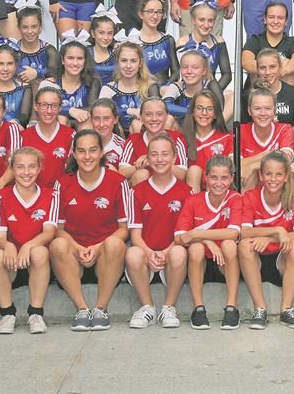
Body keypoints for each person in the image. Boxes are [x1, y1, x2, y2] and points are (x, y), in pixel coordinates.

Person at [51, 130, 129, 332]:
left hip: (105, 257)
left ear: (102, 152)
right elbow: (58, 229)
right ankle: (82, 309)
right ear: (74, 154)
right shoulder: (63, 183)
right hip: (73, 257)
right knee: (57, 244)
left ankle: (100, 309)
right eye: (82, 151)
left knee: (115, 243)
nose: (87, 157)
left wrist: (97, 247)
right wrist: (77, 248)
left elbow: (124, 229)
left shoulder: (118, 182)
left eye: (93, 150)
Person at [0, 147, 57, 335]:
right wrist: (8, 245)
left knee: (39, 251)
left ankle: (35, 313)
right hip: (12, 263)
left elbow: (49, 233)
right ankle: (7, 313)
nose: (26, 173)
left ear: (40, 167)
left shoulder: (51, 195)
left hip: (38, 263)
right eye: (20, 167)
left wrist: (28, 245)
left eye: (32, 167)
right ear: (12, 169)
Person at [126, 134, 193, 329]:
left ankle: (168, 308)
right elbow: (135, 236)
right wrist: (150, 253)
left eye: (165, 154)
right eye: (154, 155)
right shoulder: (136, 192)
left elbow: (183, 235)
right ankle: (147, 307)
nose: (160, 159)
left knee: (180, 252)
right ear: (147, 159)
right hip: (146, 257)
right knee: (132, 253)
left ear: (174, 158)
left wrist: (164, 253)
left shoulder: (186, 192)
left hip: (171, 257)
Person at [240, 151, 294, 330]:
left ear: (286, 176)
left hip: (281, 260)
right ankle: (259, 309)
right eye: (268, 174)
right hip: (257, 261)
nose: (273, 179)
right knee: (245, 246)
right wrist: (276, 231)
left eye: (279, 174)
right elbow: (244, 233)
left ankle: (286, 310)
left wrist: (269, 238)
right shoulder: (251, 197)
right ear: (261, 175)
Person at [174, 157, 242, 329]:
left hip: (225, 263)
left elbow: (233, 233)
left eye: (224, 178)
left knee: (228, 244)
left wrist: (197, 233)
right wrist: (206, 240)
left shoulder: (235, 198)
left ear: (232, 178)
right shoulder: (194, 200)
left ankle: (232, 307)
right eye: (214, 177)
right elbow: (180, 236)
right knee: (196, 248)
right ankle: (198, 308)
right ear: (205, 177)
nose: (218, 183)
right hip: (200, 262)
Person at [118, 97, 188, 185]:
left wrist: (153, 160)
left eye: (159, 114)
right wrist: (140, 165)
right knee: (141, 174)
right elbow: (121, 175)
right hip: (143, 191)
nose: (154, 119)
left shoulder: (176, 139)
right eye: (148, 114)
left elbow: (182, 175)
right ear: (141, 117)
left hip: (169, 191)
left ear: (166, 116)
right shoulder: (133, 141)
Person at [98, 41, 161, 135]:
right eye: (124, 60)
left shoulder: (150, 87)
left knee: (136, 124)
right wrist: (128, 111)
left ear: (140, 63)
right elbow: (101, 113)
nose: (128, 66)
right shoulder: (108, 88)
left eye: (133, 61)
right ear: (117, 62)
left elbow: (156, 115)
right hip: (116, 134)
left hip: (145, 135)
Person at [175, 0, 233, 91]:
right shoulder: (182, 43)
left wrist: (213, 92)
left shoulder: (218, 42)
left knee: (230, 96)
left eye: (210, 21)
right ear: (193, 20)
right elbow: (176, 73)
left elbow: (227, 75)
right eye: (201, 20)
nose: (206, 25)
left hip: (211, 92)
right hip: (187, 92)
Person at [21, 85, 76, 187]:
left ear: (60, 108)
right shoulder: (23, 136)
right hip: (33, 195)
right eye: (44, 105)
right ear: (36, 106)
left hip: (61, 196)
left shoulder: (70, 135)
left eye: (54, 106)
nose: (49, 111)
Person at [242, 2, 294, 89]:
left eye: (280, 18)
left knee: (287, 64)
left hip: (285, 88)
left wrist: (281, 70)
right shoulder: (255, 40)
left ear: (286, 21)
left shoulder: (293, 41)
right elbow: (246, 62)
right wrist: (267, 70)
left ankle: (287, 101)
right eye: (271, 17)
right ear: (265, 19)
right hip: (260, 90)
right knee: (259, 66)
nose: (275, 21)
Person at [182, 90, 232, 193]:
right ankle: (194, 207)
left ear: (215, 114)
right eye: (199, 108)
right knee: (194, 171)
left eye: (209, 109)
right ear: (192, 111)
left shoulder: (226, 138)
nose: (204, 113)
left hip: (218, 191)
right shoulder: (183, 139)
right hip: (191, 191)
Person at [161, 50, 225, 124]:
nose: (189, 71)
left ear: (204, 71)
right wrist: (192, 111)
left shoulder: (211, 85)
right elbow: (164, 106)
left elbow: (219, 109)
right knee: (168, 119)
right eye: (184, 67)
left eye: (195, 67)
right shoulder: (176, 86)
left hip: (206, 128)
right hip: (182, 130)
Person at [243, 49, 294, 126]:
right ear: (257, 69)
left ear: (280, 67)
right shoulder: (248, 96)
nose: (267, 72)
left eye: (272, 67)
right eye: (262, 68)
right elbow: (245, 127)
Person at [54, 32, 101, 129]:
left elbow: (92, 109)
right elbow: (47, 107)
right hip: (59, 124)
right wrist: (70, 110)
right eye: (70, 58)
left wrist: (70, 111)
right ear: (63, 60)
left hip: (83, 124)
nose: (75, 63)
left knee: (86, 121)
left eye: (79, 58)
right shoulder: (53, 82)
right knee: (61, 119)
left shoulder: (93, 82)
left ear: (85, 60)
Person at [138, 0, 179, 85]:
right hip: (140, 93)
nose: (155, 16)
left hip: (165, 92)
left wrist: (167, 87)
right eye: (150, 11)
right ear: (141, 14)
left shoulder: (168, 40)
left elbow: (176, 72)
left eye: (159, 12)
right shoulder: (133, 40)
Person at [13, 6, 59, 87]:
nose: (30, 31)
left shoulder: (49, 50)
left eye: (34, 27)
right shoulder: (13, 50)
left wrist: (37, 73)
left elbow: (55, 71)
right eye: (25, 27)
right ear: (19, 28)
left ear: (40, 27)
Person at [90, 98, 125, 169]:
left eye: (106, 118)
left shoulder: (123, 147)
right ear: (91, 119)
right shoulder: (81, 143)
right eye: (97, 119)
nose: (101, 124)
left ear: (115, 119)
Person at [89, 12, 118, 86]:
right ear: (93, 33)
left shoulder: (117, 53)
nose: (106, 37)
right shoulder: (85, 53)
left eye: (110, 33)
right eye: (101, 33)